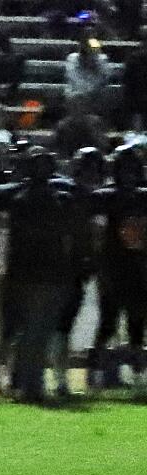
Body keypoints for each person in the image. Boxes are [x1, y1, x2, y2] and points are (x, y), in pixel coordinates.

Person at [0, 150, 87, 402]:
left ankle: (17, 384)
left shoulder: (15, 198)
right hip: (35, 277)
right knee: (30, 335)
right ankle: (23, 384)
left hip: (31, 276)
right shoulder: (58, 200)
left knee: (22, 334)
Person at [88, 144, 147, 388]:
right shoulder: (105, 197)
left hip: (139, 267)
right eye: (125, 168)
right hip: (113, 266)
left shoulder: (143, 196)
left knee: (137, 322)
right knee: (108, 321)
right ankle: (96, 375)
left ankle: (137, 376)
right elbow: (97, 234)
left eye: (133, 169)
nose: (129, 174)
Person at [52, 146, 104, 396]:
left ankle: (90, 377)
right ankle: (59, 378)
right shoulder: (66, 195)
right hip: (68, 269)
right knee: (60, 326)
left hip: (94, 269)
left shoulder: (103, 198)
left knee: (71, 325)